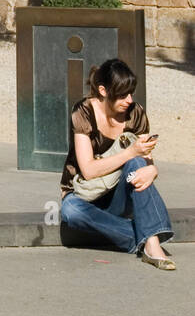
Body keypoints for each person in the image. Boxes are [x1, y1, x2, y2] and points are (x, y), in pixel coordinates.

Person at [59, 58, 174, 270]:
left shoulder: (134, 113)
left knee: (137, 162)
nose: (128, 100)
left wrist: (152, 169)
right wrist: (131, 152)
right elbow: (89, 170)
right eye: (122, 95)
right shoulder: (83, 112)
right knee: (70, 210)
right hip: (87, 197)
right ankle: (144, 236)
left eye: (130, 93)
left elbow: (145, 163)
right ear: (103, 91)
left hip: (120, 195)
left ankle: (151, 245)